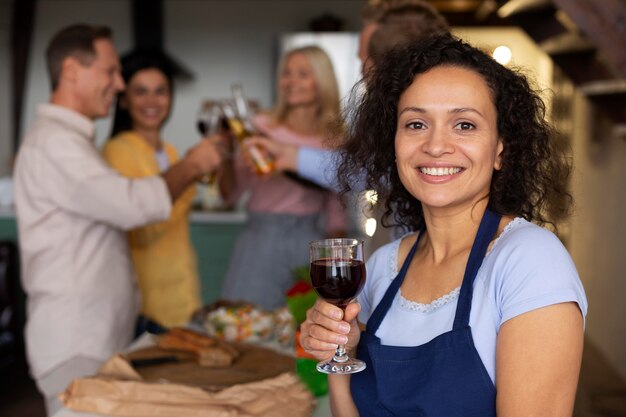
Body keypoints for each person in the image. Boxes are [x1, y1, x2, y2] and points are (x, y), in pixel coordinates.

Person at [299, 34, 587, 416]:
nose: (436, 146)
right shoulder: (383, 268)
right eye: (416, 123)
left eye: (464, 125)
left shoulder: (530, 261)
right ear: (395, 143)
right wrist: (339, 350)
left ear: (501, 148)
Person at [13, 24, 222, 416]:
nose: (120, 83)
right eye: (110, 71)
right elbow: (131, 205)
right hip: (75, 346)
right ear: (73, 70)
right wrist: (192, 165)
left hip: (94, 341)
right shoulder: (55, 143)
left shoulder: (71, 141)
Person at [245, 0, 450, 192]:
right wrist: (291, 156)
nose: (362, 70)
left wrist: (292, 157)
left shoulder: (427, 120)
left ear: (395, 62)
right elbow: (370, 171)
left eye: (367, 58)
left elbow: (373, 173)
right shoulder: (396, 118)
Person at [218, 45, 348, 310]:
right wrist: (225, 154)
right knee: (242, 322)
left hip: (310, 241)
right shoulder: (259, 127)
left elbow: (337, 211)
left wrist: (337, 266)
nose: (291, 82)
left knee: (304, 329)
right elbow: (229, 195)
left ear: (321, 80)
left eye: (302, 74)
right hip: (260, 241)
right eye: (286, 73)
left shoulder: (335, 138)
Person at [102, 50, 201, 330]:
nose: (152, 101)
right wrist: (189, 172)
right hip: (146, 307)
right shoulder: (117, 151)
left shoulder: (170, 152)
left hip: (182, 298)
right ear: (123, 99)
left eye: (160, 91)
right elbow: (142, 232)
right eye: (140, 92)